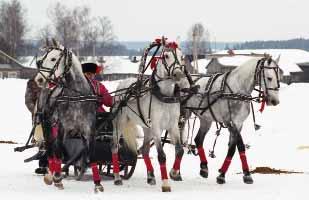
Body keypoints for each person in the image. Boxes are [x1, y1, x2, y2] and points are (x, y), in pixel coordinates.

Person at [25, 76, 48, 175]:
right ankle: (44, 165)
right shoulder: (32, 82)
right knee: (42, 140)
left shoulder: (57, 79)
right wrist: (36, 112)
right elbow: (28, 101)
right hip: (40, 116)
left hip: (57, 115)